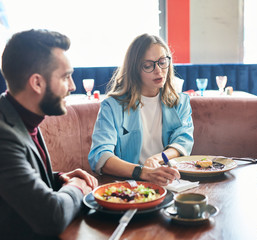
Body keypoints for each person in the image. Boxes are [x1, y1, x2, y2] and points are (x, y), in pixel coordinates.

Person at [0, 29, 98, 239]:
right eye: (65, 77)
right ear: (37, 83)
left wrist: (59, 179)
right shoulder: (3, 135)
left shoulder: (21, 116)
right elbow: (50, 217)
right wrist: (78, 187)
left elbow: (13, 186)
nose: (72, 86)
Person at [88, 33, 194, 186]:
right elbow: (100, 156)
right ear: (135, 69)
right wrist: (144, 172)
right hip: (130, 186)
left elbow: (183, 141)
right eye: (148, 65)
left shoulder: (180, 101)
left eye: (162, 62)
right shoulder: (112, 106)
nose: (159, 71)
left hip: (171, 181)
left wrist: (156, 158)